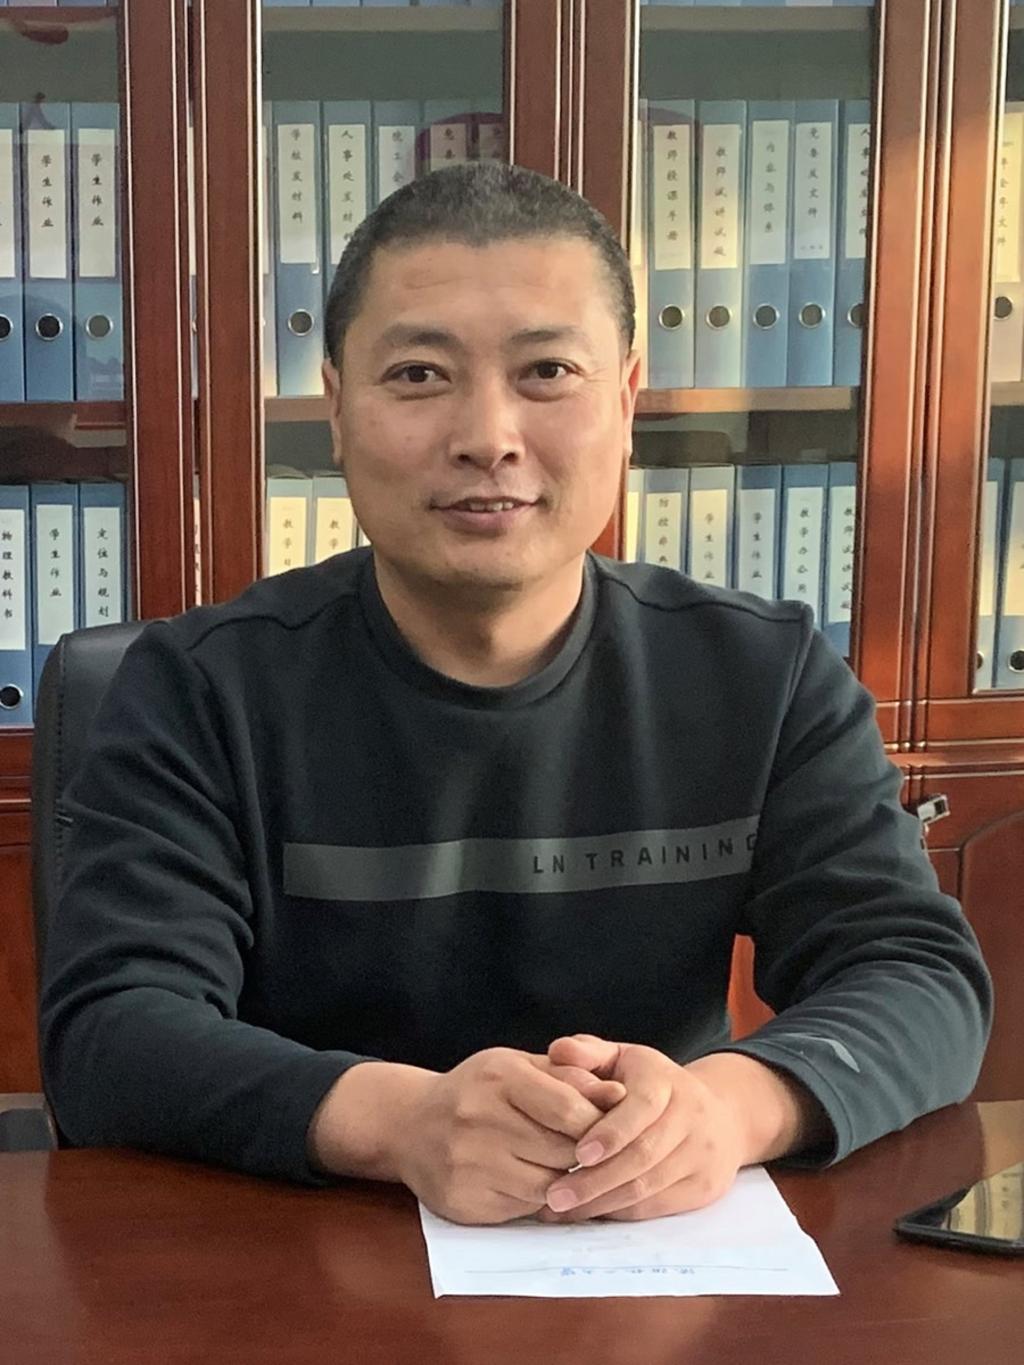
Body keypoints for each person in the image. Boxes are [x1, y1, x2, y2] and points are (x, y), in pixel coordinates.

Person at [40, 163, 992, 1228]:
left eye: (546, 371)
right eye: (418, 374)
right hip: (301, 1254)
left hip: (648, 1243)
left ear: (625, 400)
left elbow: (916, 974)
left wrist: (725, 1110)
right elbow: (111, 1029)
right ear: (337, 409)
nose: (487, 435)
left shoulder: (763, 677)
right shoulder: (199, 689)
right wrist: (403, 1123)